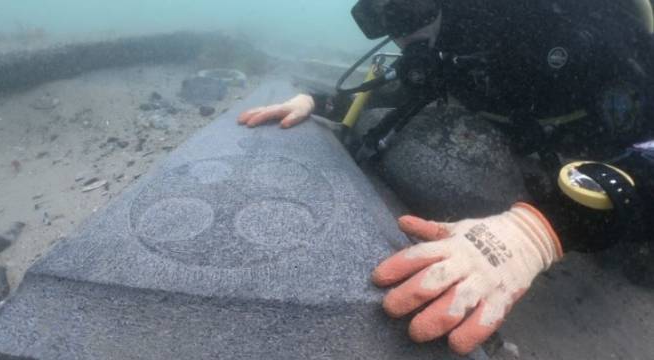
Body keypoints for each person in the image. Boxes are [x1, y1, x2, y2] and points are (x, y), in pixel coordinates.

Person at [238, 0, 654, 356]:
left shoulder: (572, 28)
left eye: (405, 8)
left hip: (617, 136)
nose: (399, 33)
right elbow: (403, 90)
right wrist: (317, 99)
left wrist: (543, 228)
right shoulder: (449, 46)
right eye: (376, 17)